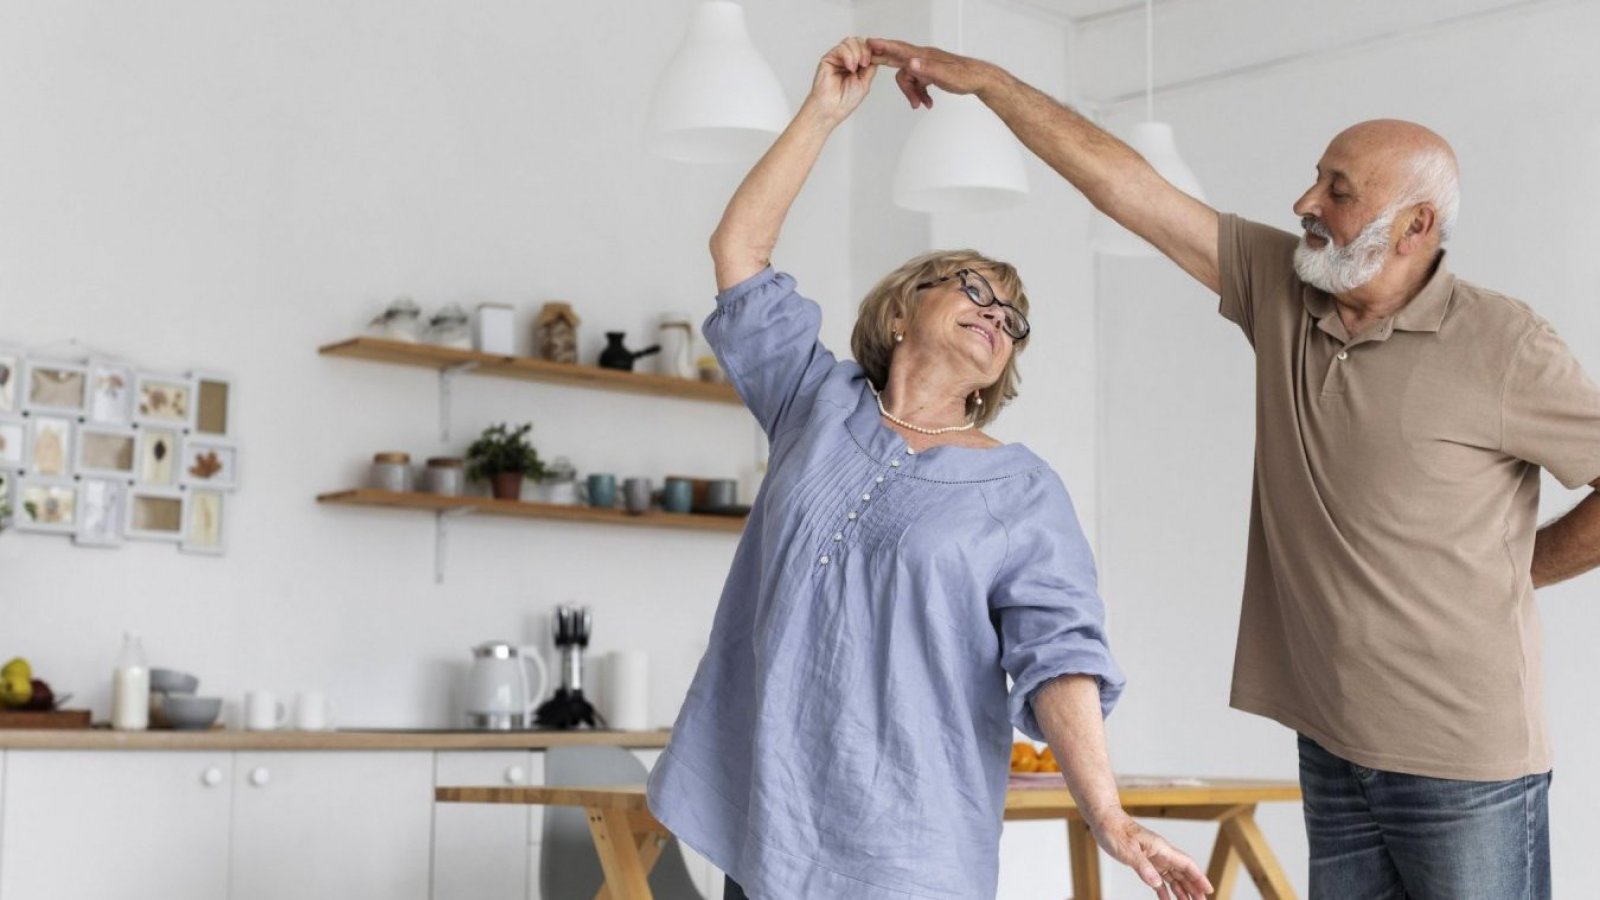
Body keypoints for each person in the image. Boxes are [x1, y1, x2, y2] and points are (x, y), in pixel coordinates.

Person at [865, 36, 1600, 900]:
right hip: (1331, 744)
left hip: (1463, 759)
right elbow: (1127, 188)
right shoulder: (1283, 289)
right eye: (1316, 178)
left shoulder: (1505, 345)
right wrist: (990, 82)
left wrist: (1515, 570)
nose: (1305, 202)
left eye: (1338, 190)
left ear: (1415, 227)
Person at [646, 37, 1212, 900]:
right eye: (974, 290)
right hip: (770, 830)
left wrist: (1111, 816)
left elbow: (1062, 656)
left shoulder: (1023, 492)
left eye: (1013, 319)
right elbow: (739, 252)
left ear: (1004, 368)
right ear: (904, 310)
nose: (997, 316)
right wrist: (824, 115)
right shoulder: (815, 404)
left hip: (907, 850)